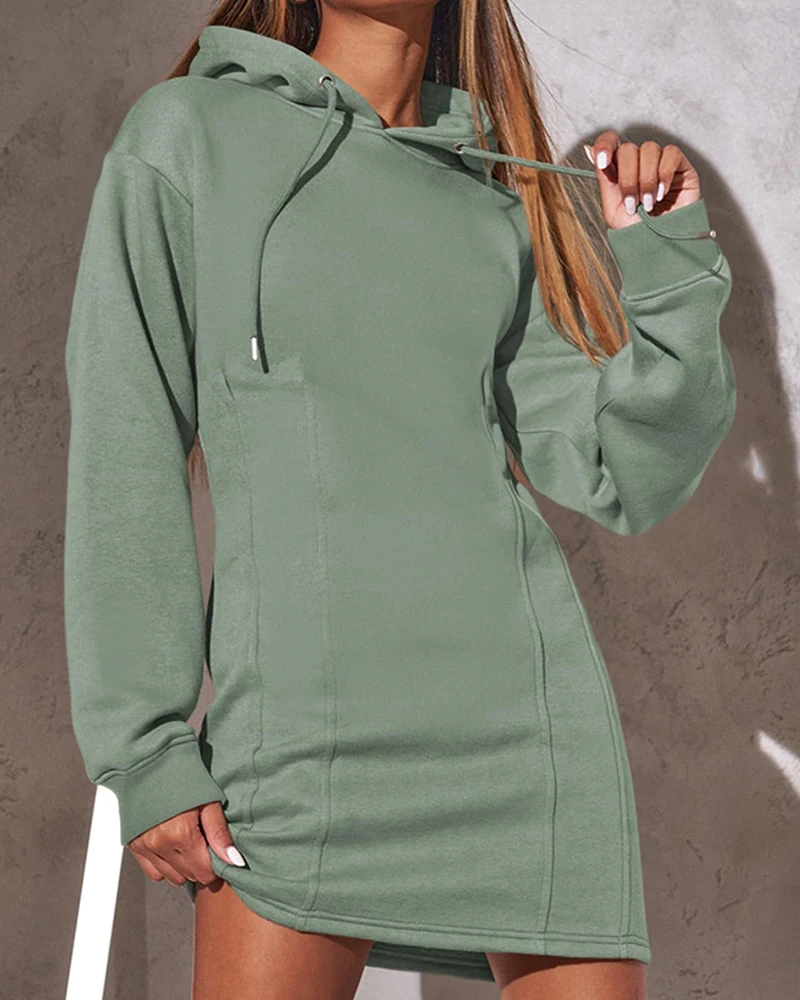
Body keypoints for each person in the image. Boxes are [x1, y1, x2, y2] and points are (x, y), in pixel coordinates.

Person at [62, 0, 736, 997]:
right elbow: (126, 440)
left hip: (529, 738)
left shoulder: (488, 196)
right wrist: (144, 744)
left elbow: (620, 471)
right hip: (297, 741)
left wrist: (666, 263)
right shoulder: (188, 133)